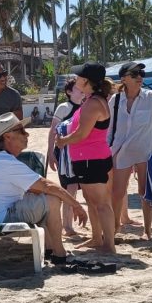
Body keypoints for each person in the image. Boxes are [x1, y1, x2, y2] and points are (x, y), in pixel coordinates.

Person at [0, 113, 86, 262]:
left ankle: (50, 248)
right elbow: (48, 186)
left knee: (42, 198)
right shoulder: (5, 162)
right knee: (52, 199)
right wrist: (77, 206)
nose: (27, 134)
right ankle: (60, 254)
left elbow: (38, 188)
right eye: (21, 131)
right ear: (7, 136)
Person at [55, 63, 116, 254]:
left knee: (102, 204)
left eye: (80, 77)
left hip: (92, 159)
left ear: (87, 81)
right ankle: (97, 238)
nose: (76, 79)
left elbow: (81, 134)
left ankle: (108, 245)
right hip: (91, 157)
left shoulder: (92, 103)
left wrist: (63, 141)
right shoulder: (94, 100)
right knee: (92, 201)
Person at [109, 61, 152, 239]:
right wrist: (108, 151)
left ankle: (147, 230)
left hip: (146, 151)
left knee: (145, 191)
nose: (139, 77)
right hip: (121, 151)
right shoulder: (115, 99)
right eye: (134, 74)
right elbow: (109, 128)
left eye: (141, 74)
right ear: (123, 79)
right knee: (117, 192)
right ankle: (115, 227)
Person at [48, 78, 86, 237]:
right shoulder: (64, 108)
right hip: (65, 154)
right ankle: (67, 226)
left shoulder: (87, 106)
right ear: (69, 92)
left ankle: (70, 223)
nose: (82, 90)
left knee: (79, 188)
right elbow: (53, 132)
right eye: (78, 88)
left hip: (82, 152)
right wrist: (50, 153)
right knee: (69, 188)